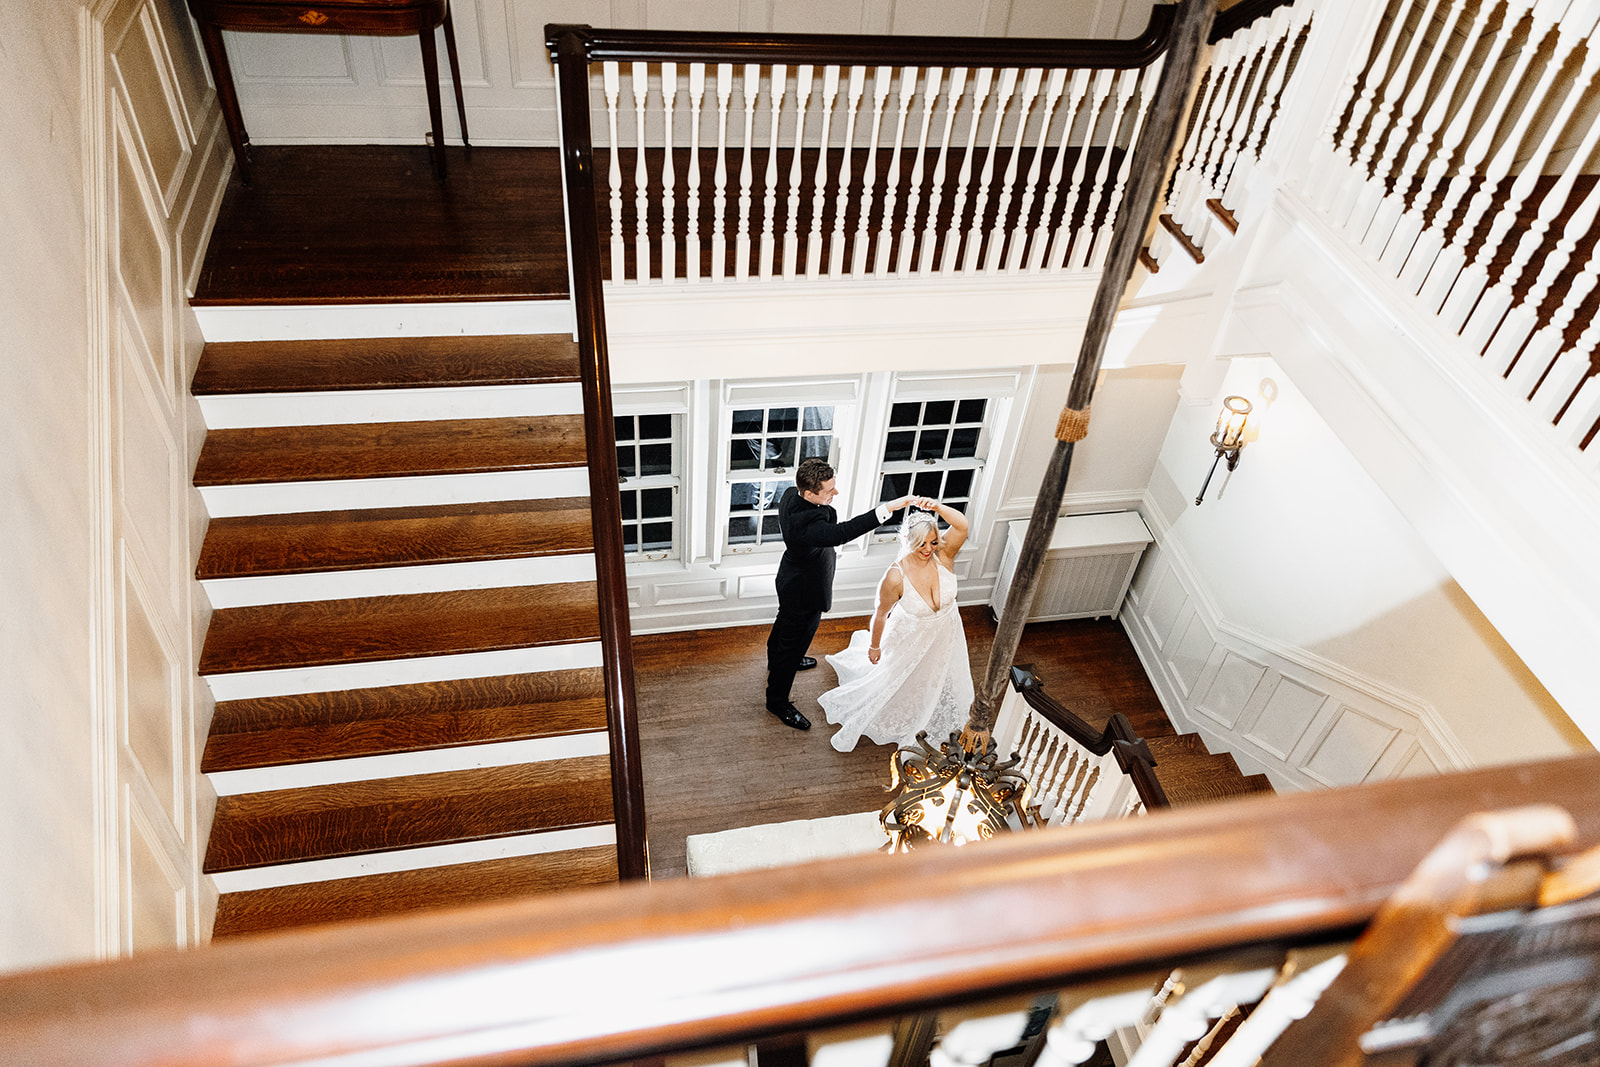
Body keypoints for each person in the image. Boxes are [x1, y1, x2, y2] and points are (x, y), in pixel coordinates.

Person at [766, 458, 912, 730]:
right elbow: (843, 532)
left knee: (783, 622)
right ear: (810, 493)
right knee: (793, 641)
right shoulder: (807, 526)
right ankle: (776, 699)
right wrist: (887, 509)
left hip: (791, 577)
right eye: (829, 490)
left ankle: (776, 658)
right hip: (803, 591)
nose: (836, 493)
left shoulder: (791, 494)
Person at [819, 498, 973, 752]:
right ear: (907, 540)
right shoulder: (895, 576)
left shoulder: (944, 555)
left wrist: (935, 507)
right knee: (899, 678)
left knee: (939, 673)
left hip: (946, 632)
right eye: (921, 543)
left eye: (933, 542)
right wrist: (874, 647)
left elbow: (963, 525)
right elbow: (881, 614)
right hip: (910, 638)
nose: (928, 549)